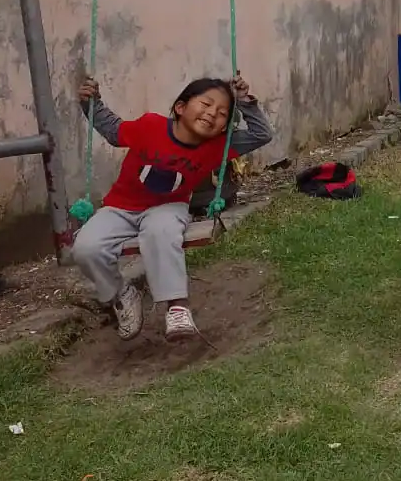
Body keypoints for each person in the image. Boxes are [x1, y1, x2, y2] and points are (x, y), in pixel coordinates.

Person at [71, 73, 273, 341]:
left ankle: (177, 306)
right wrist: (91, 103)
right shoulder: (150, 126)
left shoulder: (217, 146)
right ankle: (121, 294)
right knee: (86, 248)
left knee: (161, 231)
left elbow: (262, 134)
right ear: (180, 107)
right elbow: (112, 131)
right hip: (120, 206)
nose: (213, 114)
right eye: (206, 104)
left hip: (168, 206)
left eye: (223, 112)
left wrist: (245, 102)